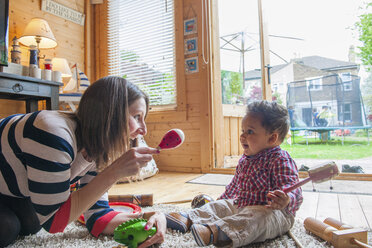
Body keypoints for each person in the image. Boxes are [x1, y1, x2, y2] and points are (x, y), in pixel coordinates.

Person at [0, 76, 166, 247]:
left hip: (10, 190)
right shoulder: (53, 134)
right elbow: (54, 223)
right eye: (137, 117)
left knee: (32, 222)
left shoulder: (97, 147)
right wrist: (114, 172)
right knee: (8, 228)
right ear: (110, 114)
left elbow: (98, 217)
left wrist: (149, 218)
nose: (144, 130)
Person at [166, 100, 303, 247]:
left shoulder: (279, 158)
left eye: (249, 132)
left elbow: (293, 187)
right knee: (220, 206)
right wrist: (220, 201)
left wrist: (286, 198)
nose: (242, 136)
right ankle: (188, 219)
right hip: (242, 204)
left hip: (275, 213)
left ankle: (217, 232)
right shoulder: (246, 159)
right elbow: (235, 186)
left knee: (258, 218)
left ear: (271, 138)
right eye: (242, 131)